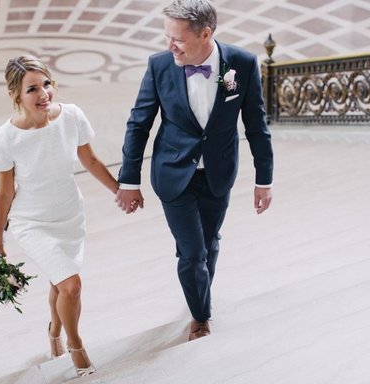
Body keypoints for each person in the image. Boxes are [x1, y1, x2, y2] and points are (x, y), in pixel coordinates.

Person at [115, 0, 274, 341]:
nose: (169, 45)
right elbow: (138, 123)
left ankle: (199, 293)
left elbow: (257, 126)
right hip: (173, 174)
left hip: (218, 173)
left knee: (209, 243)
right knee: (192, 253)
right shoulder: (159, 65)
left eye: (177, 39)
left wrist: (264, 179)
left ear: (206, 34)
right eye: (166, 36)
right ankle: (201, 315)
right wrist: (128, 180)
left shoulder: (242, 64)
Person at [0, 55, 123, 376]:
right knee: (71, 286)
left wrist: (119, 190)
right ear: (16, 95)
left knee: (60, 284)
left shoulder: (71, 116)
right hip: (32, 223)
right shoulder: (6, 137)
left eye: (46, 84)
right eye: (32, 89)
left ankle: (54, 333)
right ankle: (77, 348)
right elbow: (5, 191)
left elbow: (90, 160)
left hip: (70, 216)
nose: (44, 93)